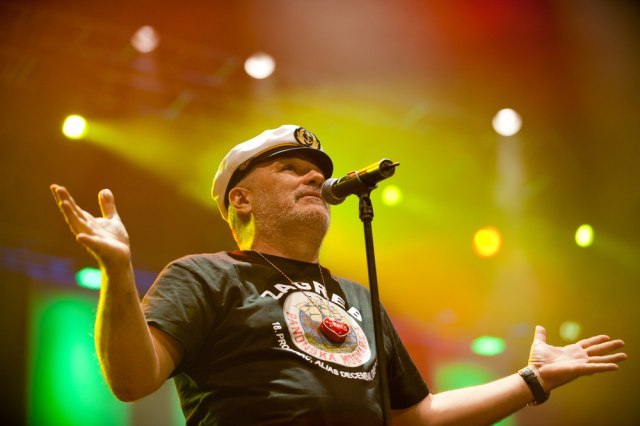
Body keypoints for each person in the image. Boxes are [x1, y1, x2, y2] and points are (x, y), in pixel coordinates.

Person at [50, 124, 626, 425]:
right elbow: (132, 380)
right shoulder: (205, 275)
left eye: (317, 171)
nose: (313, 178)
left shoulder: (356, 296)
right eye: (291, 168)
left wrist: (532, 380)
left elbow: (416, 417)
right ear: (241, 200)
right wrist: (117, 271)